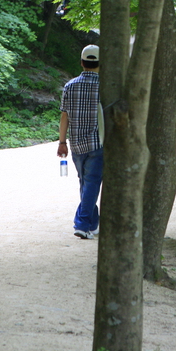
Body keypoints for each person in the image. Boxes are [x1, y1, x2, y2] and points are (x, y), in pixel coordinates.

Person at [58, 43, 103, 239]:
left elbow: (64, 116)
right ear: (100, 64)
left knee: (85, 183)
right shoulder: (104, 86)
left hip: (76, 143)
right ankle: (83, 224)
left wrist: (62, 142)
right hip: (97, 142)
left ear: (81, 63)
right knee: (91, 183)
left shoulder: (70, 85)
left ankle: (92, 224)